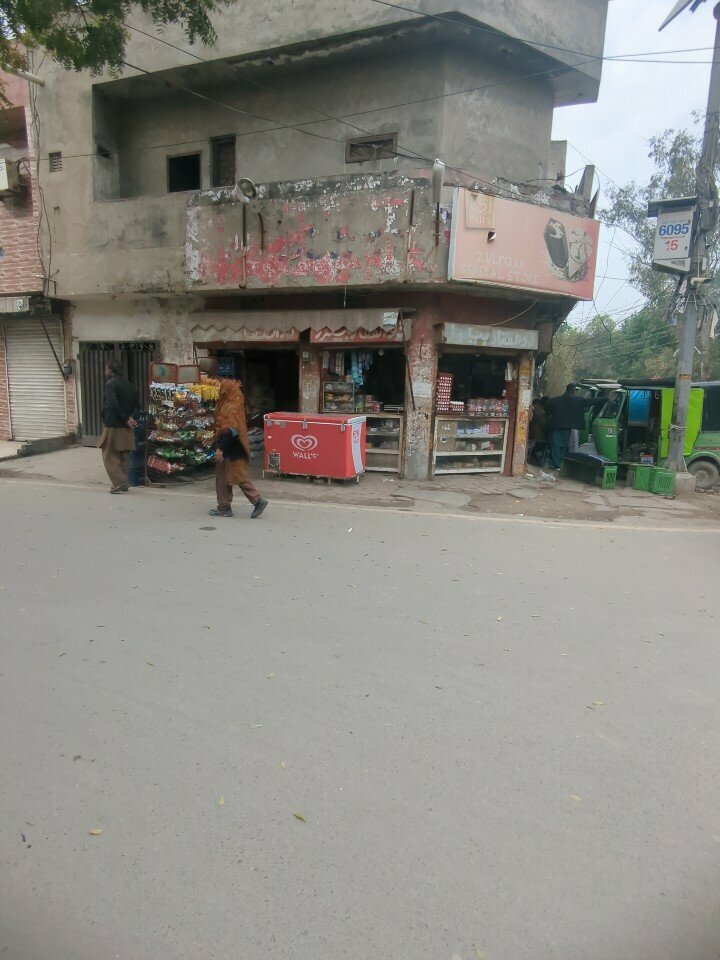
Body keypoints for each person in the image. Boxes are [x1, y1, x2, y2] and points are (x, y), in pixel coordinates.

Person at [211, 378, 268, 519]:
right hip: (236, 450)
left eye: (222, 389)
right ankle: (225, 507)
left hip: (230, 450)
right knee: (229, 479)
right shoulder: (237, 405)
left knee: (234, 479)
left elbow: (230, 431)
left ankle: (256, 501)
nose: (220, 391)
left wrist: (220, 449)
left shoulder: (229, 408)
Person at [99, 359, 138, 493]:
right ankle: (122, 481)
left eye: (106, 369)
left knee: (109, 455)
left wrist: (125, 418)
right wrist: (130, 418)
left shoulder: (110, 384)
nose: (105, 371)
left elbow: (113, 403)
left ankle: (121, 482)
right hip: (127, 427)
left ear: (111, 370)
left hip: (114, 425)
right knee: (123, 456)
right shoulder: (129, 384)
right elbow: (137, 405)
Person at [545, 384, 587, 469]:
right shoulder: (577, 400)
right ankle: (559, 463)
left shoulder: (556, 400)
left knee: (555, 446)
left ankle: (556, 463)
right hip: (567, 428)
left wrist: (550, 414)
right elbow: (591, 401)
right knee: (563, 446)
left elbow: (547, 405)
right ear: (574, 390)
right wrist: (605, 399)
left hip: (555, 427)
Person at [529, 397, 548, 466]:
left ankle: (533, 455)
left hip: (533, 434)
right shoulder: (541, 413)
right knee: (544, 445)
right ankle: (536, 458)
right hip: (538, 436)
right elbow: (544, 426)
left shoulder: (534, 409)